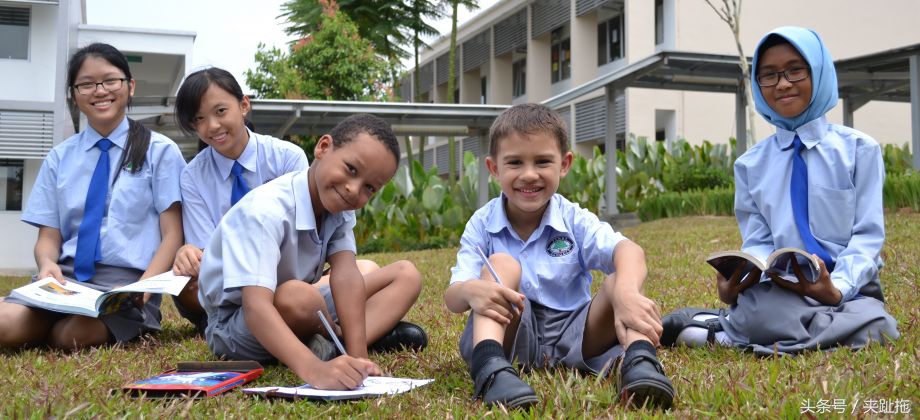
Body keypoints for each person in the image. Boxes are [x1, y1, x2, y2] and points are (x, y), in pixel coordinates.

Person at [661, 27, 900, 355]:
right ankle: (761, 326)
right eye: (769, 75)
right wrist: (737, 281)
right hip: (784, 289)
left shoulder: (860, 150)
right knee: (764, 313)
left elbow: (867, 237)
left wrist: (837, 288)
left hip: (850, 288)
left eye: (795, 70)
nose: (783, 84)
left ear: (818, 72)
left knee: (882, 329)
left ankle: (719, 334)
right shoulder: (750, 165)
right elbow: (759, 241)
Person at [444, 104, 674, 410]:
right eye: (515, 162)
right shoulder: (482, 223)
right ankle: (491, 369)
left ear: (564, 164)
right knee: (501, 264)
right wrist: (471, 290)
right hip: (511, 334)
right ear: (494, 168)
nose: (529, 175)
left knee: (620, 280)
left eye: (542, 161)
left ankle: (640, 361)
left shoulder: (573, 218)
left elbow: (629, 250)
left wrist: (627, 292)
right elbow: (453, 296)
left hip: (575, 335)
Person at [197, 114, 426, 390]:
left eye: (369, 187)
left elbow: (346, 276)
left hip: (299, 305)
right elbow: (255, 307)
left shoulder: (339, 206)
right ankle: (324, 348)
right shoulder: (266, 211)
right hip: (234, 324)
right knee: (299, 296)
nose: (353, 189)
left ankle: (338, 346)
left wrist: (359, 359)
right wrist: (315, 371)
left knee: (406, 274)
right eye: (351, 169)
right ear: (323, 147)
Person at [0, 43, 185, 349]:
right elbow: (48, 237)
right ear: (74, 94)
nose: (100, 91)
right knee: (5, 326)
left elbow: (173, 235)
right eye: (86, 84)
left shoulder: (160, 151)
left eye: (110, 80)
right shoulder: (59, 157)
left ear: (130, 86)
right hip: (64, 281)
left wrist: (143, 288)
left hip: (125, 286)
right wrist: (46, 264)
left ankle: (51, 326)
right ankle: (41, 317)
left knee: (71, 337)